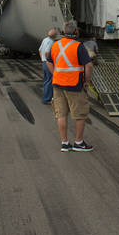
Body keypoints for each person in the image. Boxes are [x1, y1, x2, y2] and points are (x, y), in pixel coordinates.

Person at [47, 20, 94, 152]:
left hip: (57, 84)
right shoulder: (78, 46)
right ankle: (78, 142)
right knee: (80, 114)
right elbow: (89, 66)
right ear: (76, 32)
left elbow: (48, 62)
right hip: (74, 85)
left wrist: (55, 73)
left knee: (61, 114)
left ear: (63, 32)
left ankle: (65, 143)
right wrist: (86, 80)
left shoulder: (55, 45)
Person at [38, 28, 59, 104]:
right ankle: (47, 99)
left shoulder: (45, 40)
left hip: (44, 63)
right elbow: (47, 52)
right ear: (55, 35)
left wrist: (42, 59)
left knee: (46, 81)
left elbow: (39, 50)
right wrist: (48, 60)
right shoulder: (51, 42)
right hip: (48, 63)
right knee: (50, 81)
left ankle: (46, 97)